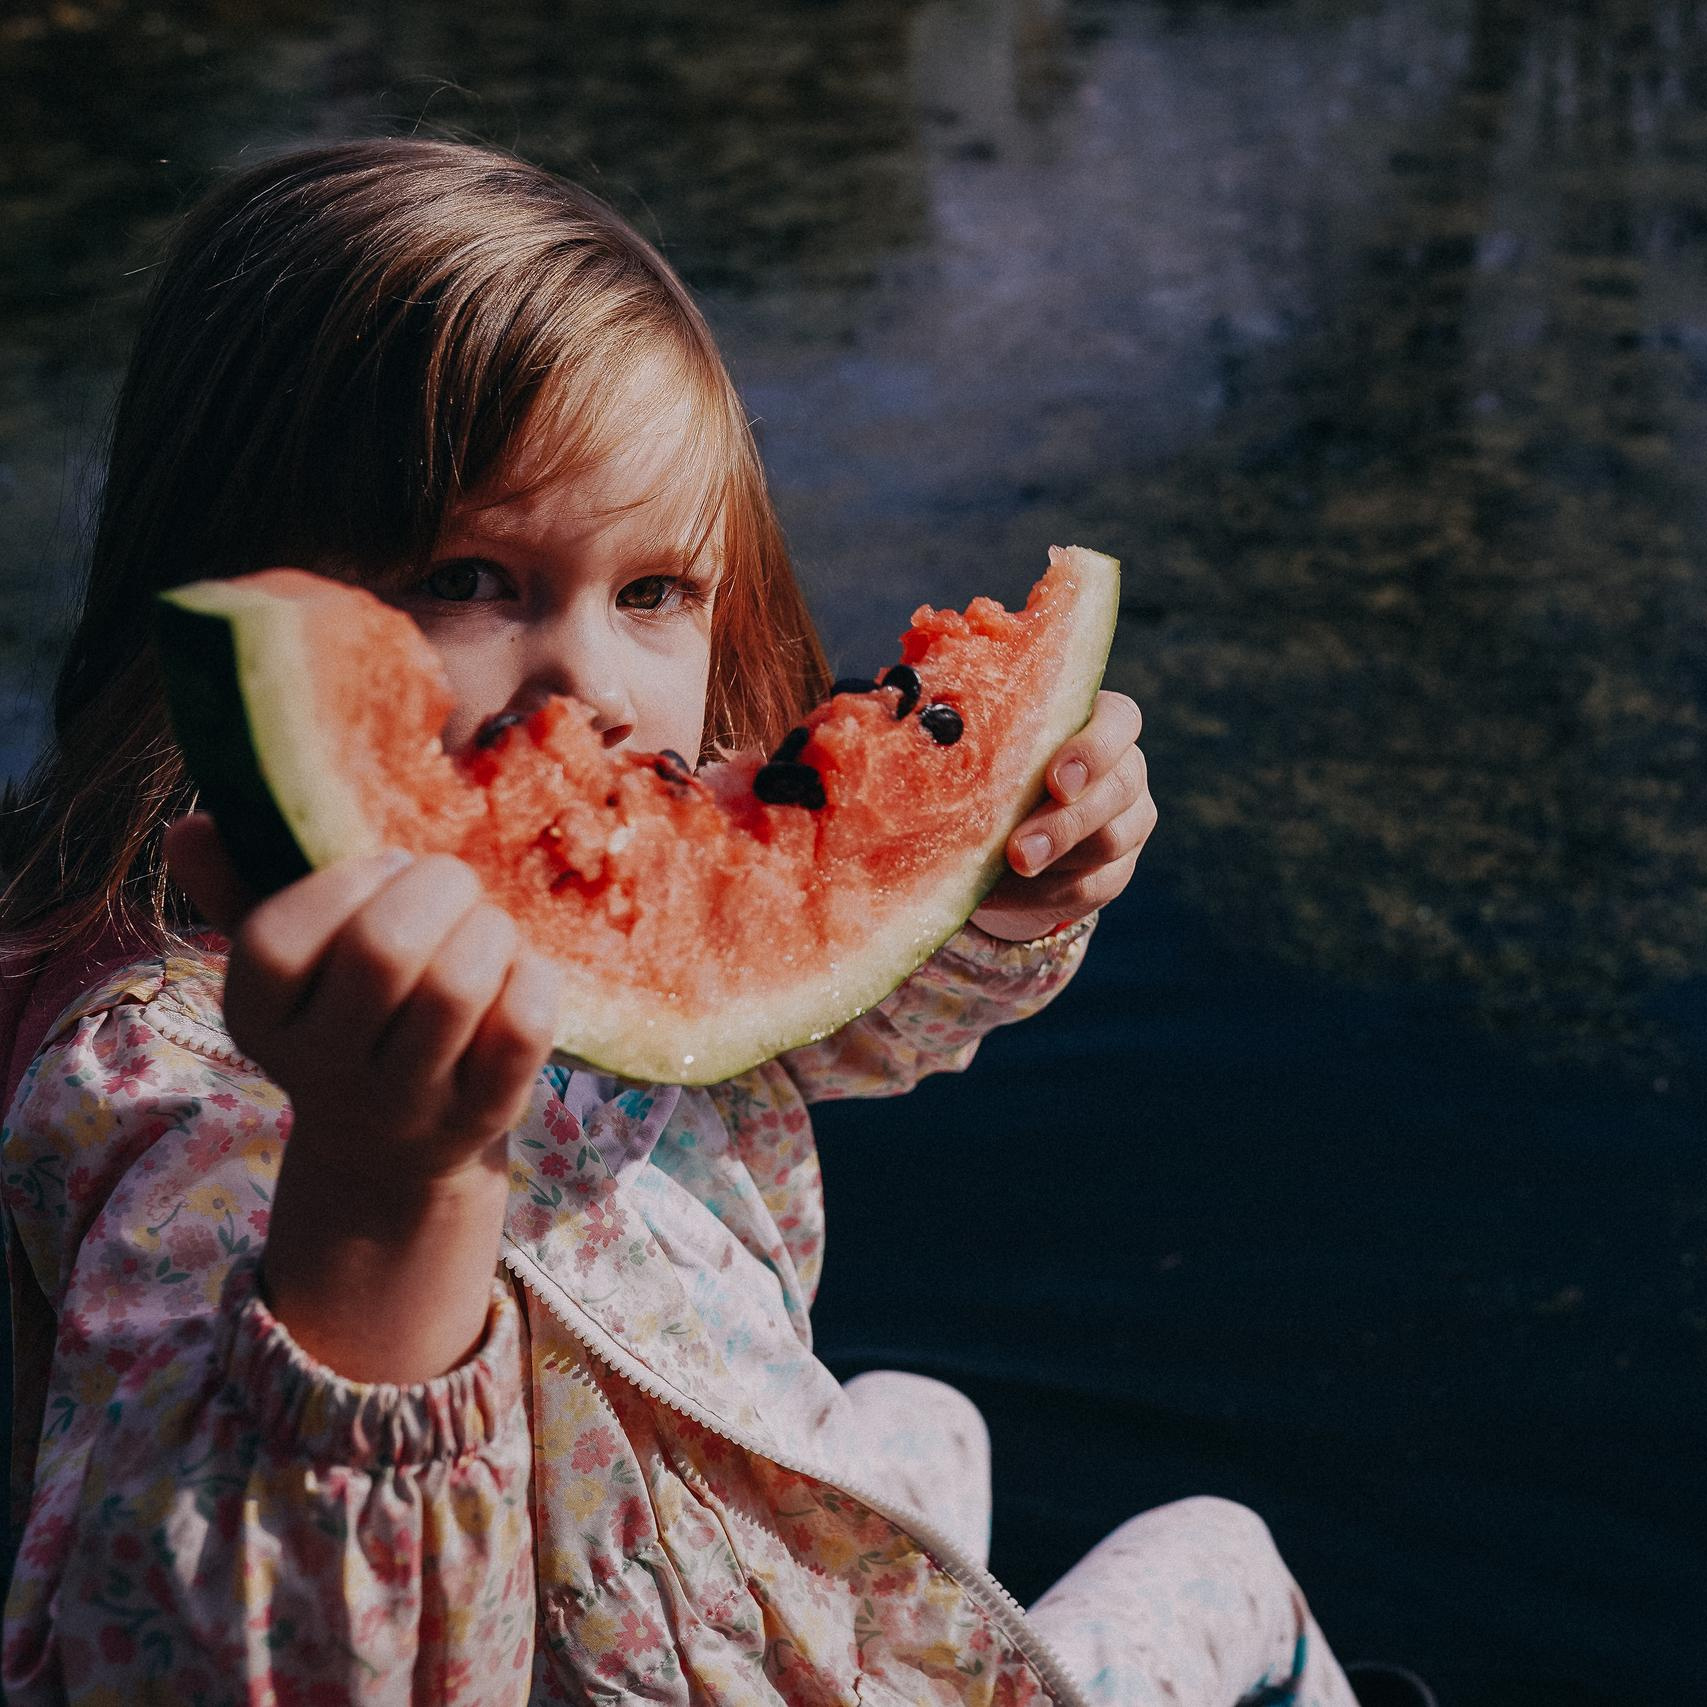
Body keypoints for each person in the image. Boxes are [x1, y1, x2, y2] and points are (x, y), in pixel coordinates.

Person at [0, 139, 1358, 1706]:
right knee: (1226, 1557)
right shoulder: (195, 1105)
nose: (588, 680)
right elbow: (209, 1662)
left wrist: (1006, 883)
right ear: (239, 591)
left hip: (694, 1573)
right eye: (469, 576)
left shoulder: (630, 862)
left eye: (655, 593)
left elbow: (818, 1012)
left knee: (929, 1413)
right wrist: (383, 1186)